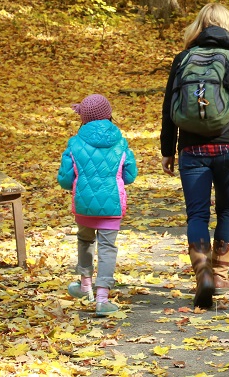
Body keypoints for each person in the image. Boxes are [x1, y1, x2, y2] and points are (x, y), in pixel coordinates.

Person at [160, 3, 229, 309]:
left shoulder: (182, 59)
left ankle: (202, 272)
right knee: (228, 210)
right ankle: (219, 274)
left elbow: (169, 108)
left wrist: (168, 150)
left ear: (200, 25)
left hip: (192, 149)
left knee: (196, 214)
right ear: (227, 25)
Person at [58, 94, 138, 317]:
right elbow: (130, 175)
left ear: (83, 118)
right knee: (107, 249)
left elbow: (64, 178)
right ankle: (102, 298)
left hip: (83, 206)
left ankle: (84, 285)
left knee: (85, 240)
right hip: (112, 206)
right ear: (109, 114)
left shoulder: (74, 143)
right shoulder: (121, 142)